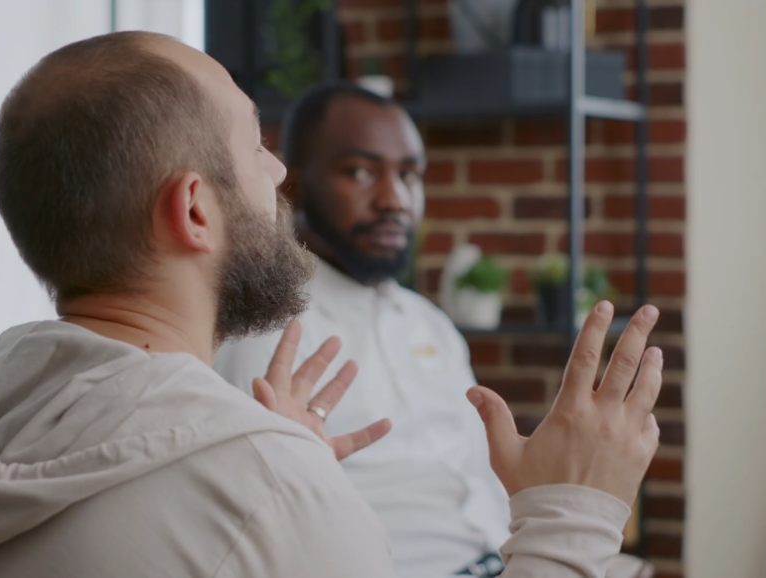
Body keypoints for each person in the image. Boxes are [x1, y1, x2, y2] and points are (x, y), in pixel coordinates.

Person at [0, 32, 663, 578]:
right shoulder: (269, 491)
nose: (277, 175)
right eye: (255, 147)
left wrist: (269, 464)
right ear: (195, 211)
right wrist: (570, 518)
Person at [214, 84, 654, 578]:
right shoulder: (265, 328)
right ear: (293, 185)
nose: (394, 200)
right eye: (359, 171)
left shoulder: (429, 322)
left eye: (409, 175)